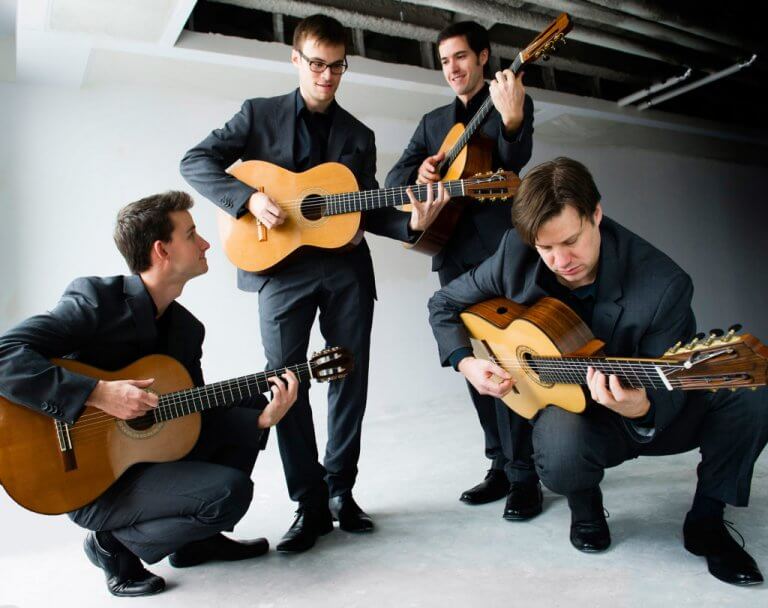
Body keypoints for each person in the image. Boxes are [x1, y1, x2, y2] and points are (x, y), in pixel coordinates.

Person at [428, 157, 767, 586]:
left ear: (596, 214)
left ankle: (707, 521)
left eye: (571, 241)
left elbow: (671, 392)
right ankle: (585, 506)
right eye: (546, 248)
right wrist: (467, 362)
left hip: (651, 409)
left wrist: (640, 407)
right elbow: (443, 304)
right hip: (573, 415)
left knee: (751, 396)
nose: (560, 260)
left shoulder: (663, 283)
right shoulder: (516, 252)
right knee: (559, 449)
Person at [180, 14, 446, 554]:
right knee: (287, 383)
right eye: (318, 64)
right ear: (296, 60)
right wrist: (248, 199)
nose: (327, 76)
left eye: (337, 66)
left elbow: (366, 208)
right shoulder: (258, 115)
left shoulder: (359, 135)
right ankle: (309, 503)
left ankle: (341, 491)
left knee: (350, 378)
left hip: (346, 270)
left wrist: (414, 224)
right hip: (278, 270)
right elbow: (196, 160)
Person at [0, 192, 299, 597]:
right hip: (87, 478)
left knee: (247, 404)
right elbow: (5, 354)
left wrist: (262, 420)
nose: (206, 244)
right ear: (162, 250)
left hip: (142, 461)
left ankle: (197, 543)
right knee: (231, 493)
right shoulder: (95, 301)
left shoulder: (187, 330)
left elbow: (192, 414)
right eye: (191, 234)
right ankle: (112, 546)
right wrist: (97, 393)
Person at [385, 21, 539, 518]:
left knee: (511, 358)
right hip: (451, 255)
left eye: (461, 57)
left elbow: (514, 164)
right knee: (475, 364)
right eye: (445, 61)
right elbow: (394, 181)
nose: (452, 68)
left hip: (502, 255)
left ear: (484, 56)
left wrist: (511, 121)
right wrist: (420, 173)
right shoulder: (433, 122)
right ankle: (499, 465)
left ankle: (525, 475)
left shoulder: (508, 97)